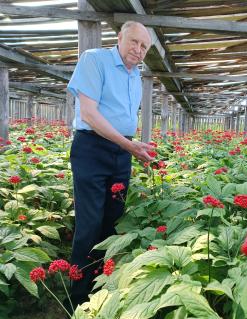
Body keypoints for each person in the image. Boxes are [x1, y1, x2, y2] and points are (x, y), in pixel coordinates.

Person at [65, 21, 154, 311]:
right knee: (89, 224)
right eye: (134, 42)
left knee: (112, 224)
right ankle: (79, 301)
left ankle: (102, 292)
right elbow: (89, 115)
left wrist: (133, 147)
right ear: (120, 37)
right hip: (92, 148)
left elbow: (124, 118)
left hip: (121, 152)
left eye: (144, 47)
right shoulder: (95, 59)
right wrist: (129, 145)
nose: (138, 50)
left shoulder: (135, 76)